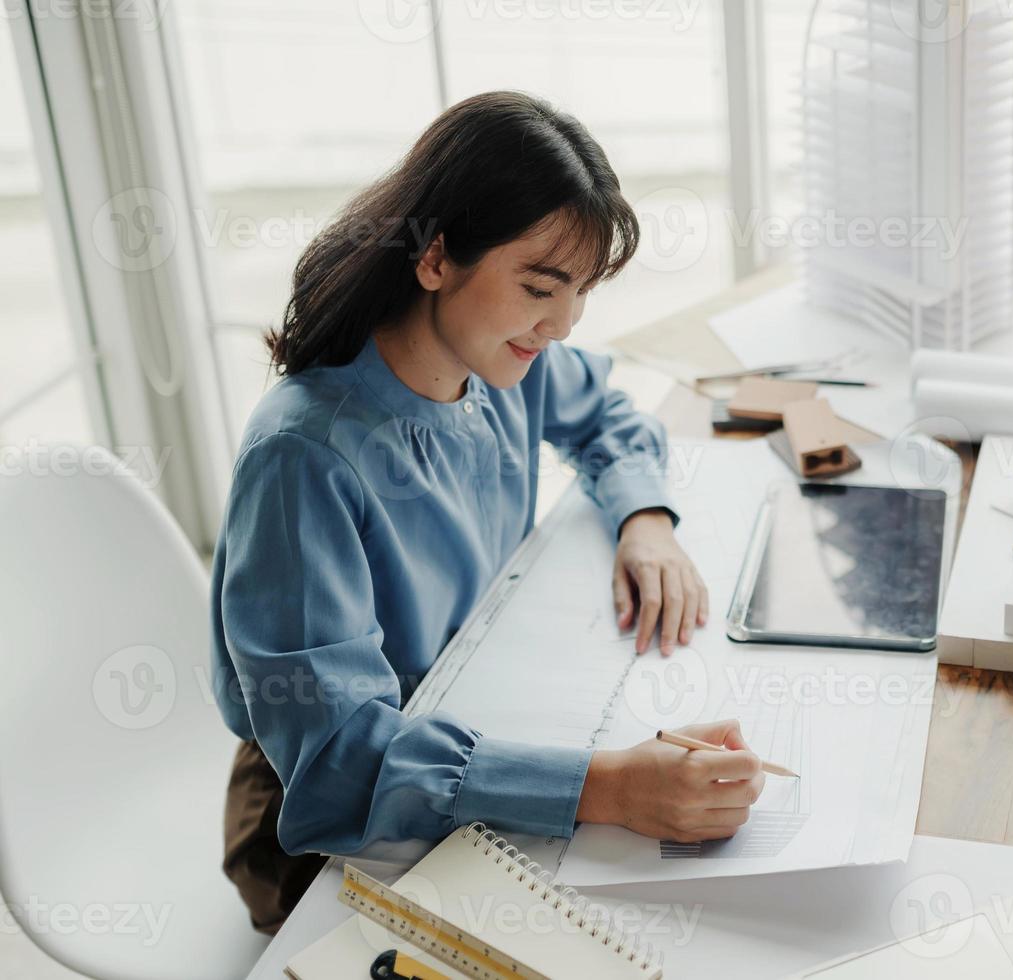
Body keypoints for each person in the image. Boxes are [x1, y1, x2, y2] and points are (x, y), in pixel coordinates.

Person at [210, 92, 764, 933]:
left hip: (473, 711)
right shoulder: (304, 457)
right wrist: (609, 786)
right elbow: (337, 761)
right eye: (541, 286)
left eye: (579, 291)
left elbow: (609, 416)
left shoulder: (505, 359)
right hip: (315, 820)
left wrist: (642, 517)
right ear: (434, 258)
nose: (563, 323)